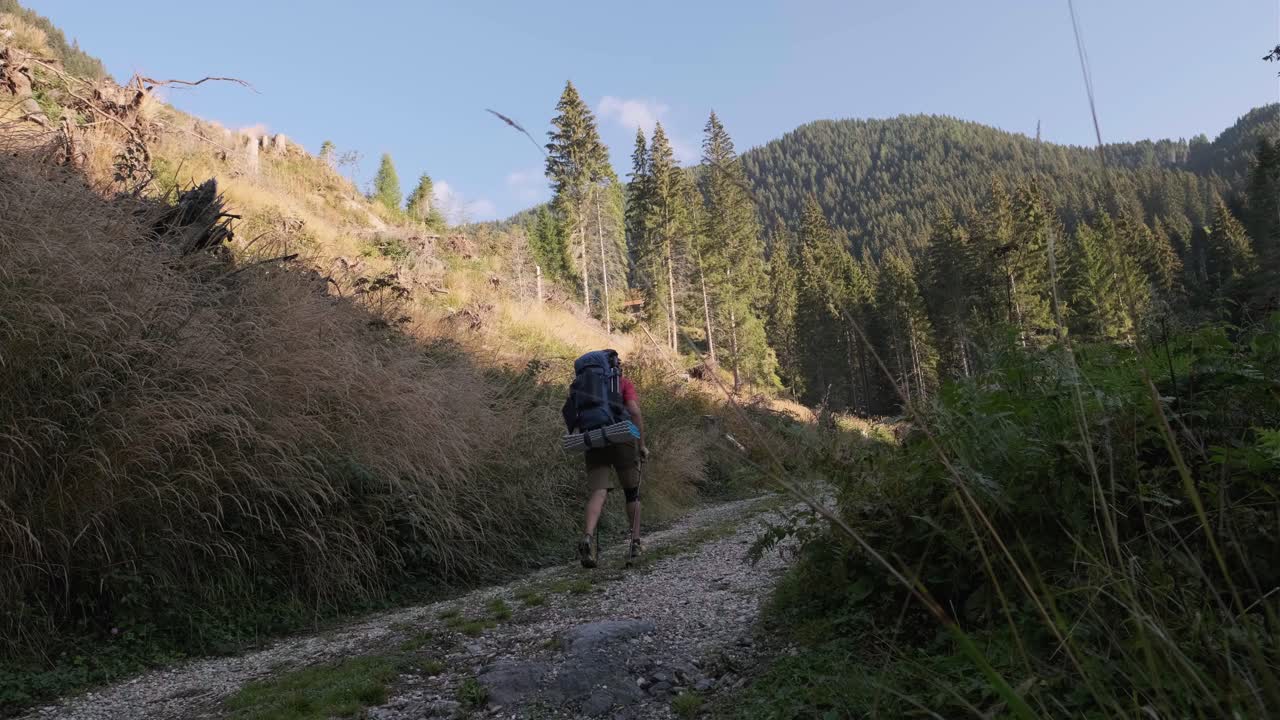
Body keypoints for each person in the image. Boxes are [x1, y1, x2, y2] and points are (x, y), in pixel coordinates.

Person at [573, 361, 648, 569]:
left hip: (593, 440)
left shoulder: (581, 385)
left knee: (598, 491)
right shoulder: (622, 383)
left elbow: (573, 416)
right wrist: (642, 444)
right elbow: (634, 411)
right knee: (631, 492)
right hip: (621, 437)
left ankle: (588, 537)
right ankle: (635, 543)